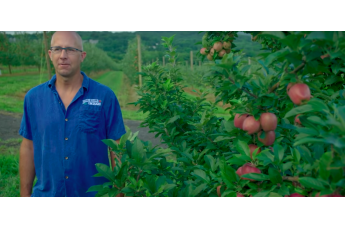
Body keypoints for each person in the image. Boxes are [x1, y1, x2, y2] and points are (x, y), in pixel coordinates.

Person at [19, 31, 126, 197]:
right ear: (50, 54)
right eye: (57, 49)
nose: (63, 55)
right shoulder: (33, 98)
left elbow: (117, 147)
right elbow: (28, 146)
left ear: (82, 56)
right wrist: (24, 195)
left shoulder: (105, 96)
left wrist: (120, 193)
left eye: (70, 49)